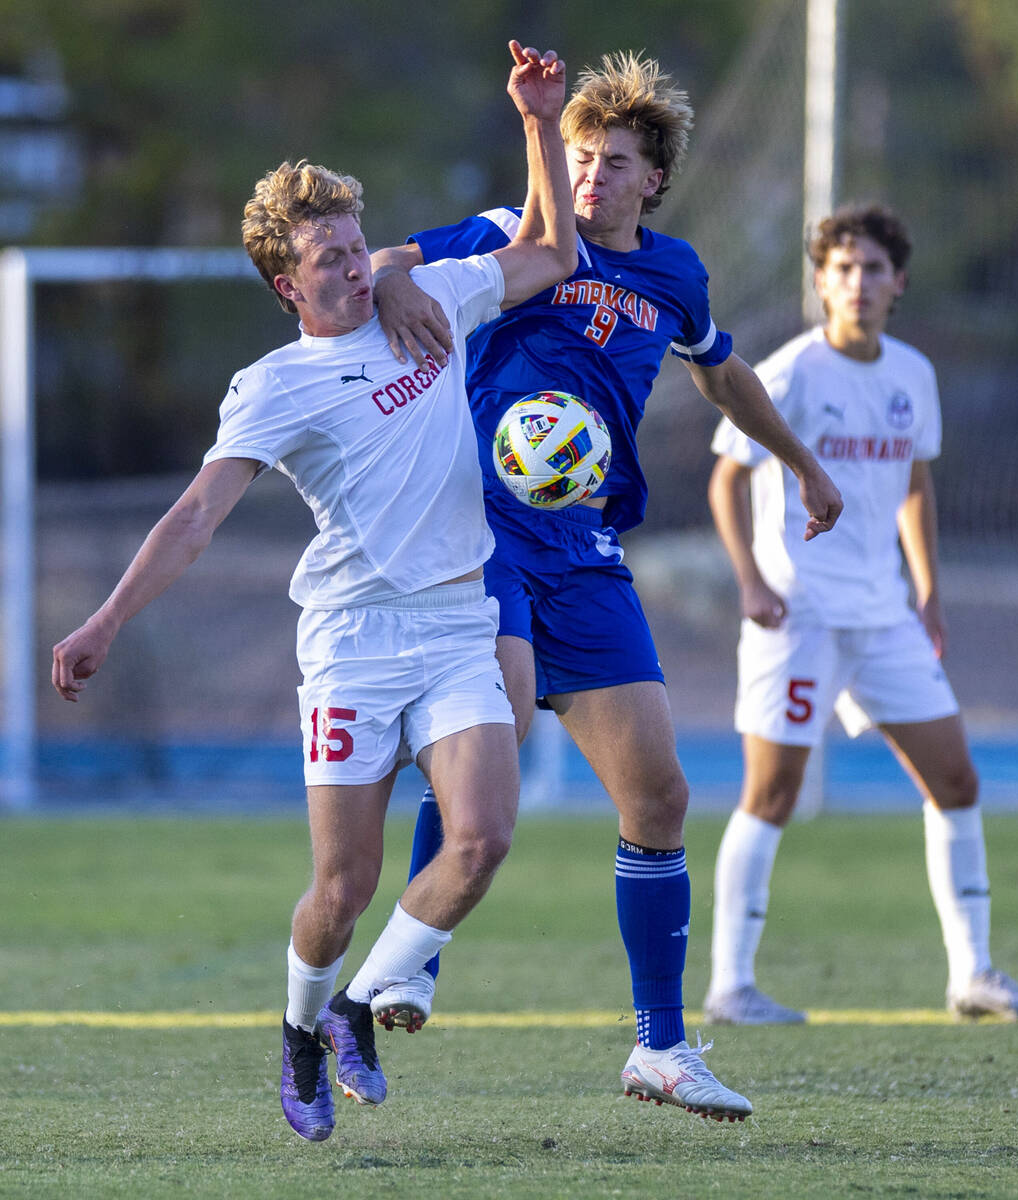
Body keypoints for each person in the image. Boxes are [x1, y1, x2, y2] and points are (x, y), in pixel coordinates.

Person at [50, 41, 577, 1142]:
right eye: (326, 258)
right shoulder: (273, 387)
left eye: (351, 245)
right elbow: (196, 514)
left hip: (451, 618)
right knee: (341, 887)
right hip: (348, 642)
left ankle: (349, 1009)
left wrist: (539, 121)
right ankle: (298, 1030)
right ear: (287, 285)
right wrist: (105, 619)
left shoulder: (421, 298)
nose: (347, 265)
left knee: (480, 838)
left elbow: (546, 257)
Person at [367, 51, 843, 1123]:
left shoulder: (671, 276)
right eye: (577, 155)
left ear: (650, 179)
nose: (587, 175)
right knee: (496, 740)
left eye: (610, 161)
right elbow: (391, 261)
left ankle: (660, 1051)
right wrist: (397, 290)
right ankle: (409, 960)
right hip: (478, 533)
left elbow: (722, 373)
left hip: (582, 547)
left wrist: (802, 463)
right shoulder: (513, 232)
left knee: (660, 795)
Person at [703, 203, 1018, 1026]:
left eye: (872, 269)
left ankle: (972, 973)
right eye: (841, 269)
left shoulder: (912, 375)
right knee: (772, 791)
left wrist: (928, 588)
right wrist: (752, 582)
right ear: (820, 282)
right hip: (799, 615)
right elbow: (726, 479)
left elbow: (915, 485)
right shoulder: (788, 372)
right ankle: (731, 985)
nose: (856, 283)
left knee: (956, 778)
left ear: (898, 282)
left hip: (885, 614)